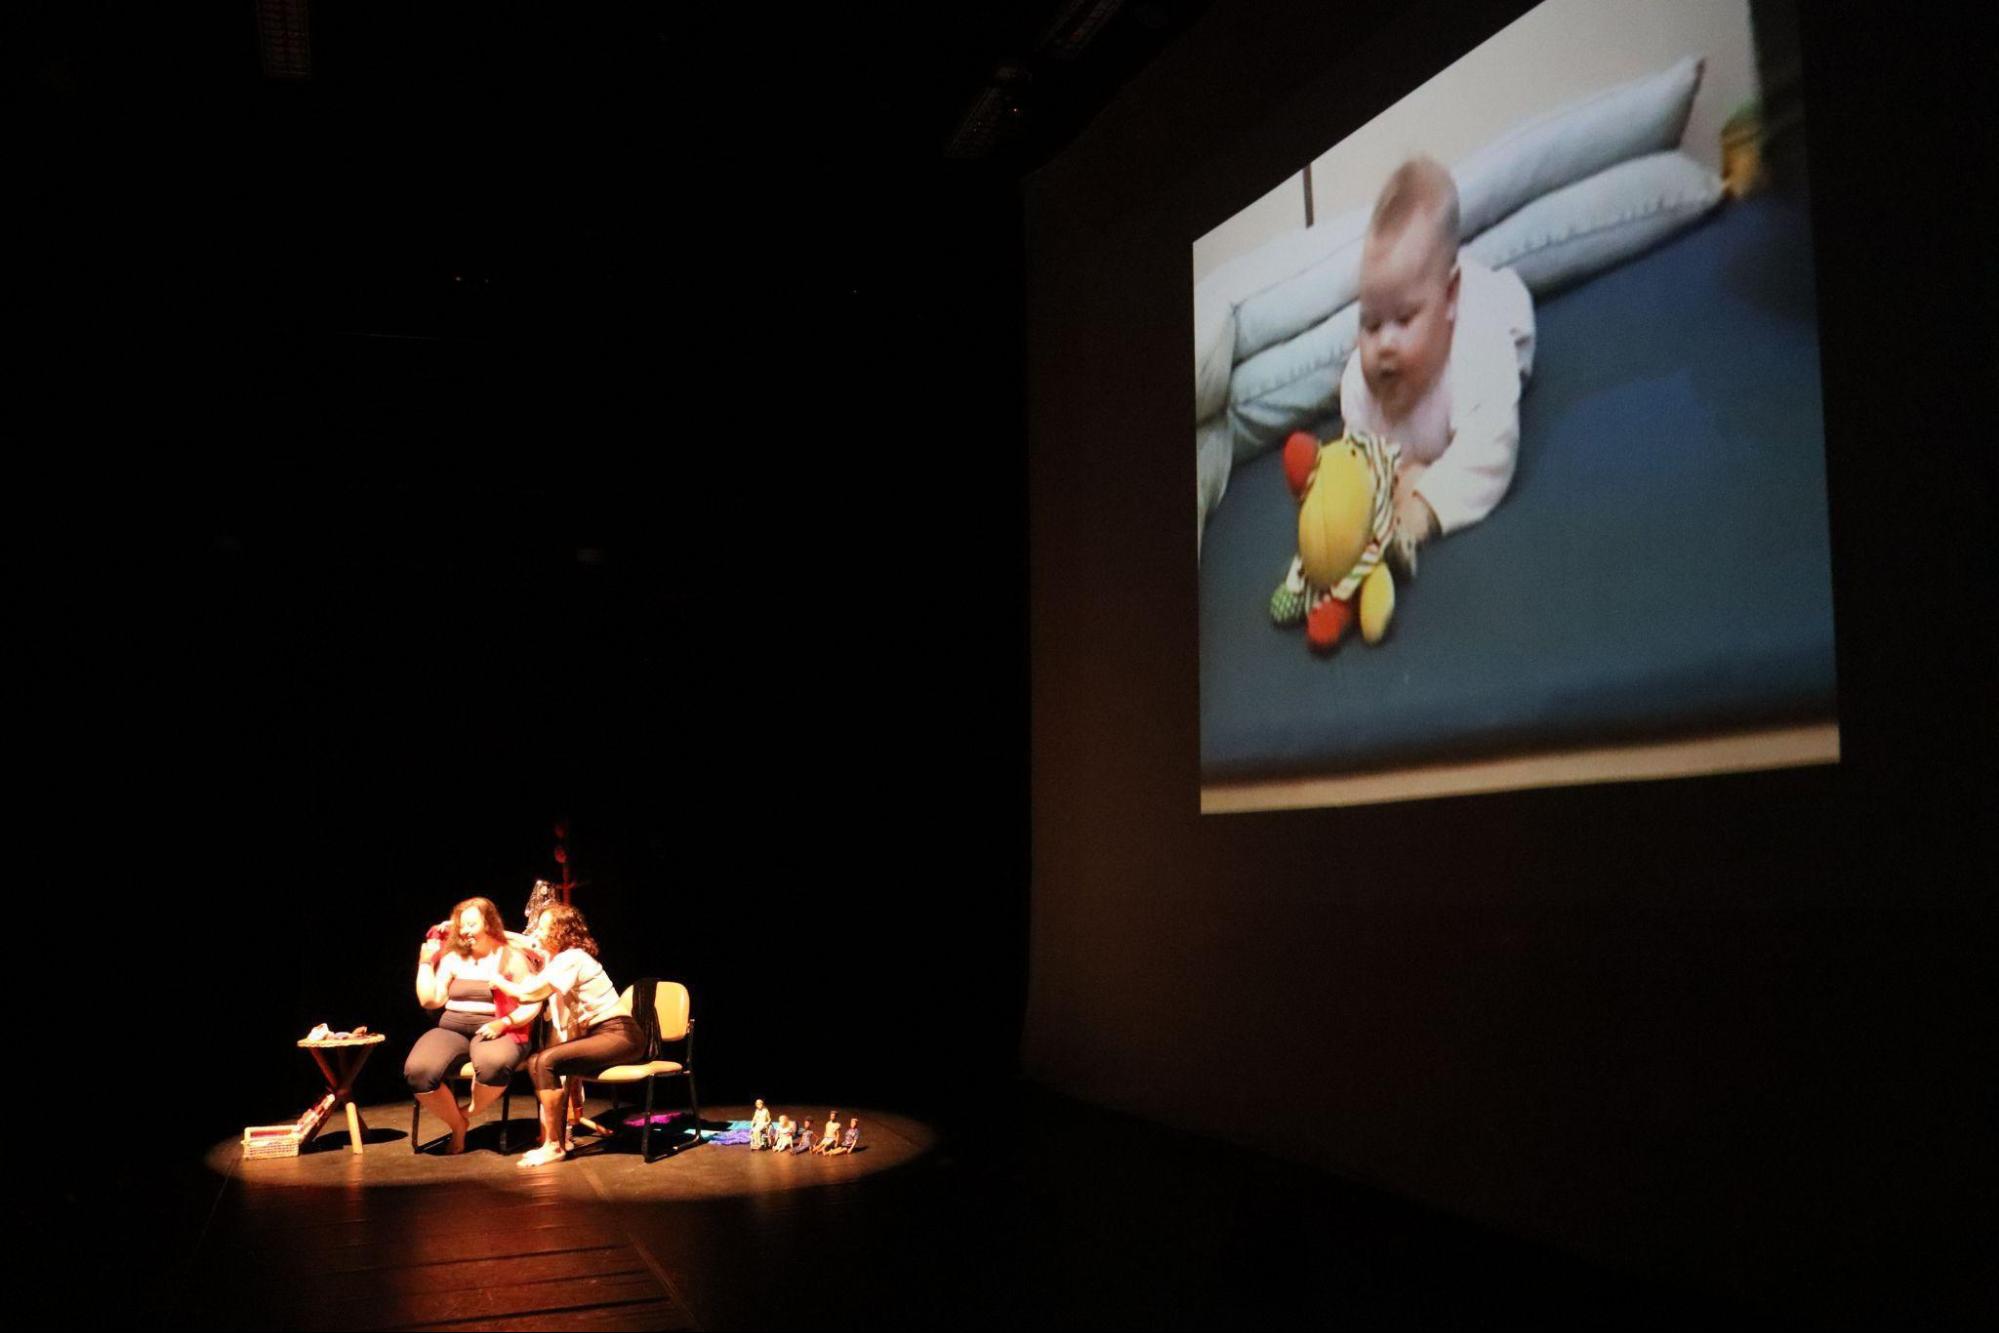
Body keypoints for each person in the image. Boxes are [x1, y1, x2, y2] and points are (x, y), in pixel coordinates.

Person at [1338, 153, 1536, 574]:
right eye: (1370, 323)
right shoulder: (1359, 382)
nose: (1383, 344)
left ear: (1448, 299)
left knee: (1511, 330)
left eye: (1404, 319)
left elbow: (1491, 453)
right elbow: (1358, 455)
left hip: (1501, 316)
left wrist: (1421, 507)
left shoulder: (1476, 350)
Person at [490, 903, 647, 1167]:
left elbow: (531, 993)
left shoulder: (571, 958)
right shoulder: (564, 958)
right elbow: (528, 942)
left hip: (620, 1033)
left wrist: (498, 980)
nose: (538, 934)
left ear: (560, 932)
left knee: (545, 1061)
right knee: (542, 1061)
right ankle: (556, 1141)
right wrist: (493, 932)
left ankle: (554, 1145)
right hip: (604, 1034)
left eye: (544, 928)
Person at [405, 897, 543, 1155]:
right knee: (418, 1071)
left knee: (493, 1065)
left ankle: (466, 1112)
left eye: (471, 924)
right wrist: (425, 963)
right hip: (452, 1028)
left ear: (489, 923)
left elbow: (533, 1002)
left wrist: (505, 1022)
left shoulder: (510, 956)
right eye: (461, 925)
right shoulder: (453, 957)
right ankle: (458, 1125)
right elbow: (430, 999)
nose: (464, 931)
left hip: (497, 1027)